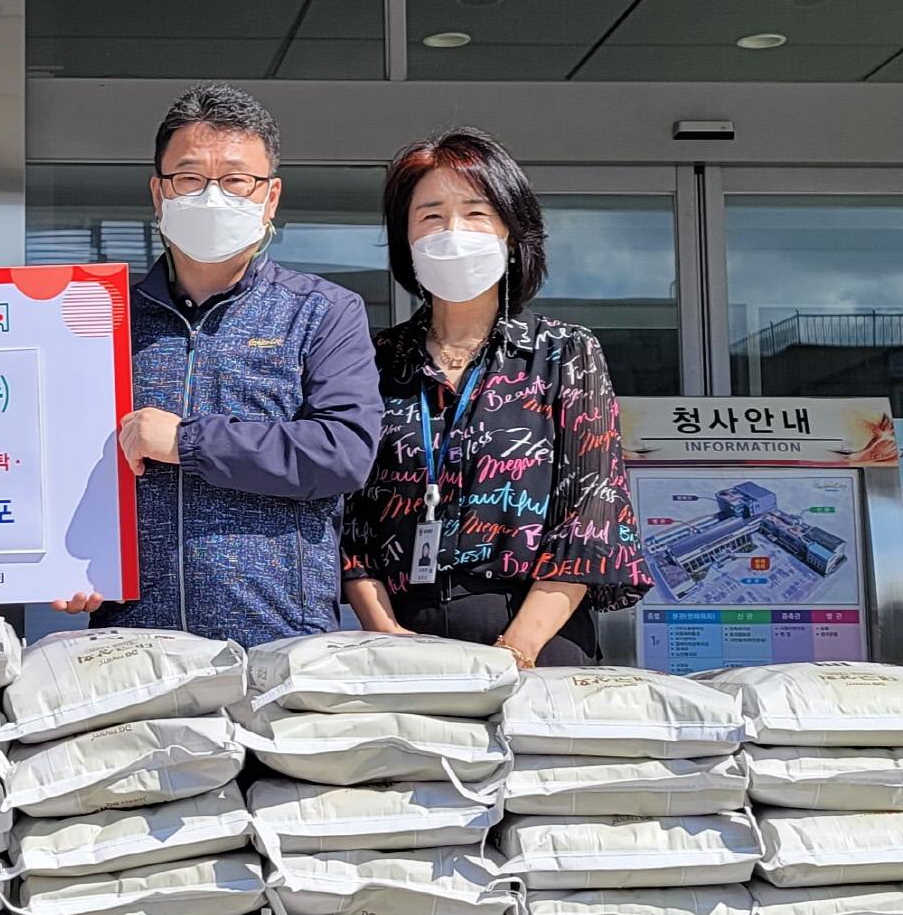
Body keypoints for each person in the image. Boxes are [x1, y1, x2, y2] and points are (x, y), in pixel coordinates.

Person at [53, 84, 383, 646]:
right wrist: (65, 562)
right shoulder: (102, 321)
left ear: (270, 197)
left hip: (281, 639)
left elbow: (344, 452)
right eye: (189, 179)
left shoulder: (322, 311)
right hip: (132, 640)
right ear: (159, 194)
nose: (212, 197)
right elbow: (58, 459)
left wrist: (190, 442)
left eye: (236, 181)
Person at [341, 127, 650, 668]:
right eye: (431, 215)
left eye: (476, 213)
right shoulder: (374, 359)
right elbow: (347, 513)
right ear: (406, 240)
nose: (452, 231)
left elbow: (592, 511)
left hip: (537, 635)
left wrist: (519, 648)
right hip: (403, 641)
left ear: (512, 232)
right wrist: (383, 629)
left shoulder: (565, 352)